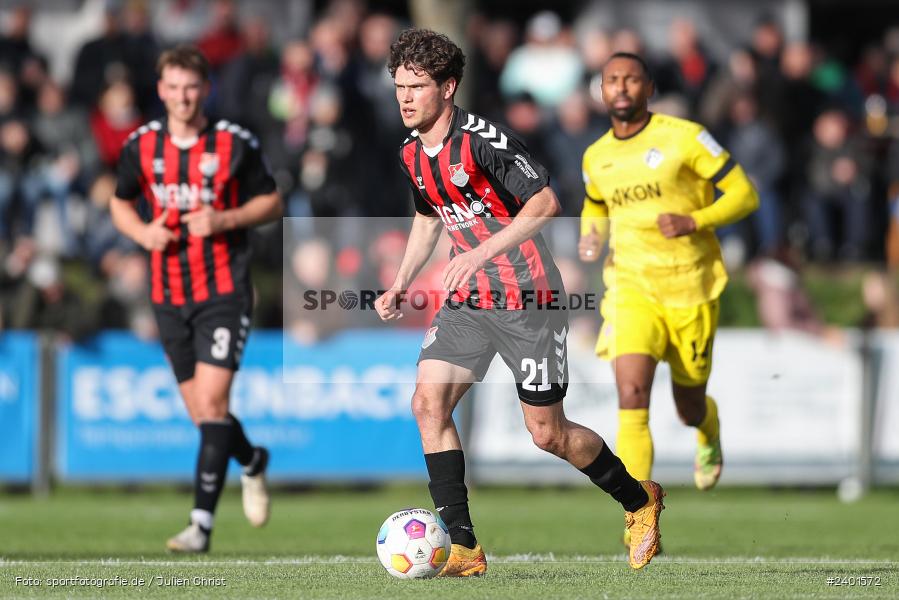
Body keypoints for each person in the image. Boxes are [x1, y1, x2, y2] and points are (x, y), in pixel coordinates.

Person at [377, 29, 665, 575]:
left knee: (547, 434)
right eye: (399, 88)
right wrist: (402, 280)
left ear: (448, 87)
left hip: (527, 298)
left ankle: (639, 502)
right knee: (427, 404)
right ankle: (463, 547)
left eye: (416, 87)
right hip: (469, 300)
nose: (405, 98)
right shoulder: (412, 152)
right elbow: (429, 214)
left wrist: (481, 251)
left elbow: (547, 202)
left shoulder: (483, 140)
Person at [578, 53, 759, 545]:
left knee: (687, 405)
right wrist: (591, 235)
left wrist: (694, 220)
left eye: (630, 79)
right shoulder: (595, 156)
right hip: (631, 287)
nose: (620, 87)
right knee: (632, 394)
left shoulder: (684, 136)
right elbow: (596, 202)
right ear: (601, 90)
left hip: (691, 287)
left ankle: (709, 429)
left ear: (648, 87)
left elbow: (745, 194)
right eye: (611, 79)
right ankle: (637, 512)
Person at [110, 45, 282, 553]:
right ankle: (252, 460)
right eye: (173, 87)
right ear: (160, 91)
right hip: (167, 293)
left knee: (212, 404)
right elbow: (119, 203)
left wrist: (225, 219)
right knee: (203, 414)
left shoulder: (234, 142)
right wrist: (143, 235)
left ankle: (199, 526)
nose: (183, 96)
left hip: (224, 289)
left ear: (205, 90)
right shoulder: (140, 145)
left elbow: (272, 200)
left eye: (191, 87)